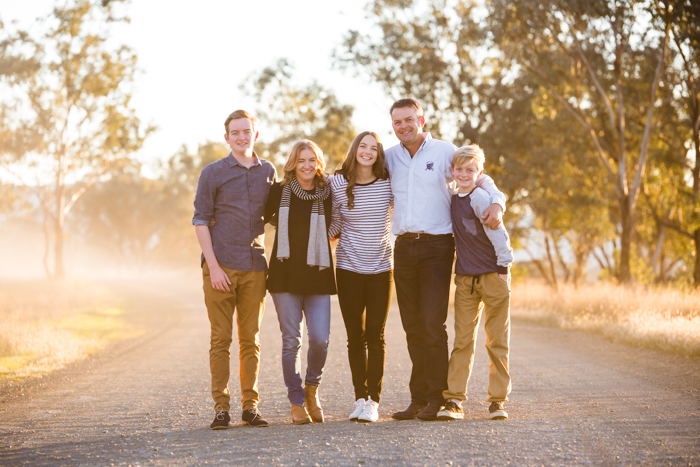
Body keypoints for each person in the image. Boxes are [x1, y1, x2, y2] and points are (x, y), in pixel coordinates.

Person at [385, 98, 507, 421]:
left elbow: (478, 176)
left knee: (431, 323)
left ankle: (438, 397)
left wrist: (497, 203)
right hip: (403, 247)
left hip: (437, 248)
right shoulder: (390, 157)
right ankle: (418, 397)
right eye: (397, 122)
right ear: (393, 125)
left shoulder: (443, 152)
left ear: (421, 119)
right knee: (412, 326)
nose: (403, 126)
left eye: (409, 120)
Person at [192, 110, 276, 430]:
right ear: (226, 137)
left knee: (250, 340)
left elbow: (276, 213)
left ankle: (250, 406)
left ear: (256, 134)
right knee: (221, 339)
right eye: (235, 132)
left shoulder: (267, 171)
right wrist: (213, 267)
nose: (241, 137)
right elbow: (201, 220)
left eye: (247, 131)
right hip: (221, 267)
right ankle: (221, 407)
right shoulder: (212, 173)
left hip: (255, 266)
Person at [437, 145, 514, 421]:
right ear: (453, 171)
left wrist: (505, 268)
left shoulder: (481, 197)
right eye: (460, 169)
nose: (464, 174)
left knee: (496, 340)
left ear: (478, 172)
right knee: (463, 341)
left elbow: (499, 235)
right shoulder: (450, 197)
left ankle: (497, 401)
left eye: (470, 170)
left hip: (493, 275)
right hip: (466, 279)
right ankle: (455, 400)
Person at [265, 140, 336, 425]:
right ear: (293, 163)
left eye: (312, 160)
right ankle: (296, 400)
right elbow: (260, 218)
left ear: (319, 163)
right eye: (301, 160)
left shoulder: (327, 192)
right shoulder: (279, 191)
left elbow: (337, 223)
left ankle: (311, 389)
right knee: (291, 341)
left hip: (318, 273)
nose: (307, 166)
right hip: (285, 273)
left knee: (319, 339)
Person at [328, 131, 393, 423]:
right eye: (362, 146)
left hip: (381, 268)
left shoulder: (388, 182)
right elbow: (334, 226)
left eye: (373, 148)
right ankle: (359, 398)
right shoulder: (337, 183)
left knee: (375, 336)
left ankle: (374, 402)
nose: (367, 152)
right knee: (355, 337)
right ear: (355, 150)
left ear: (378, 154)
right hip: (348, 269)